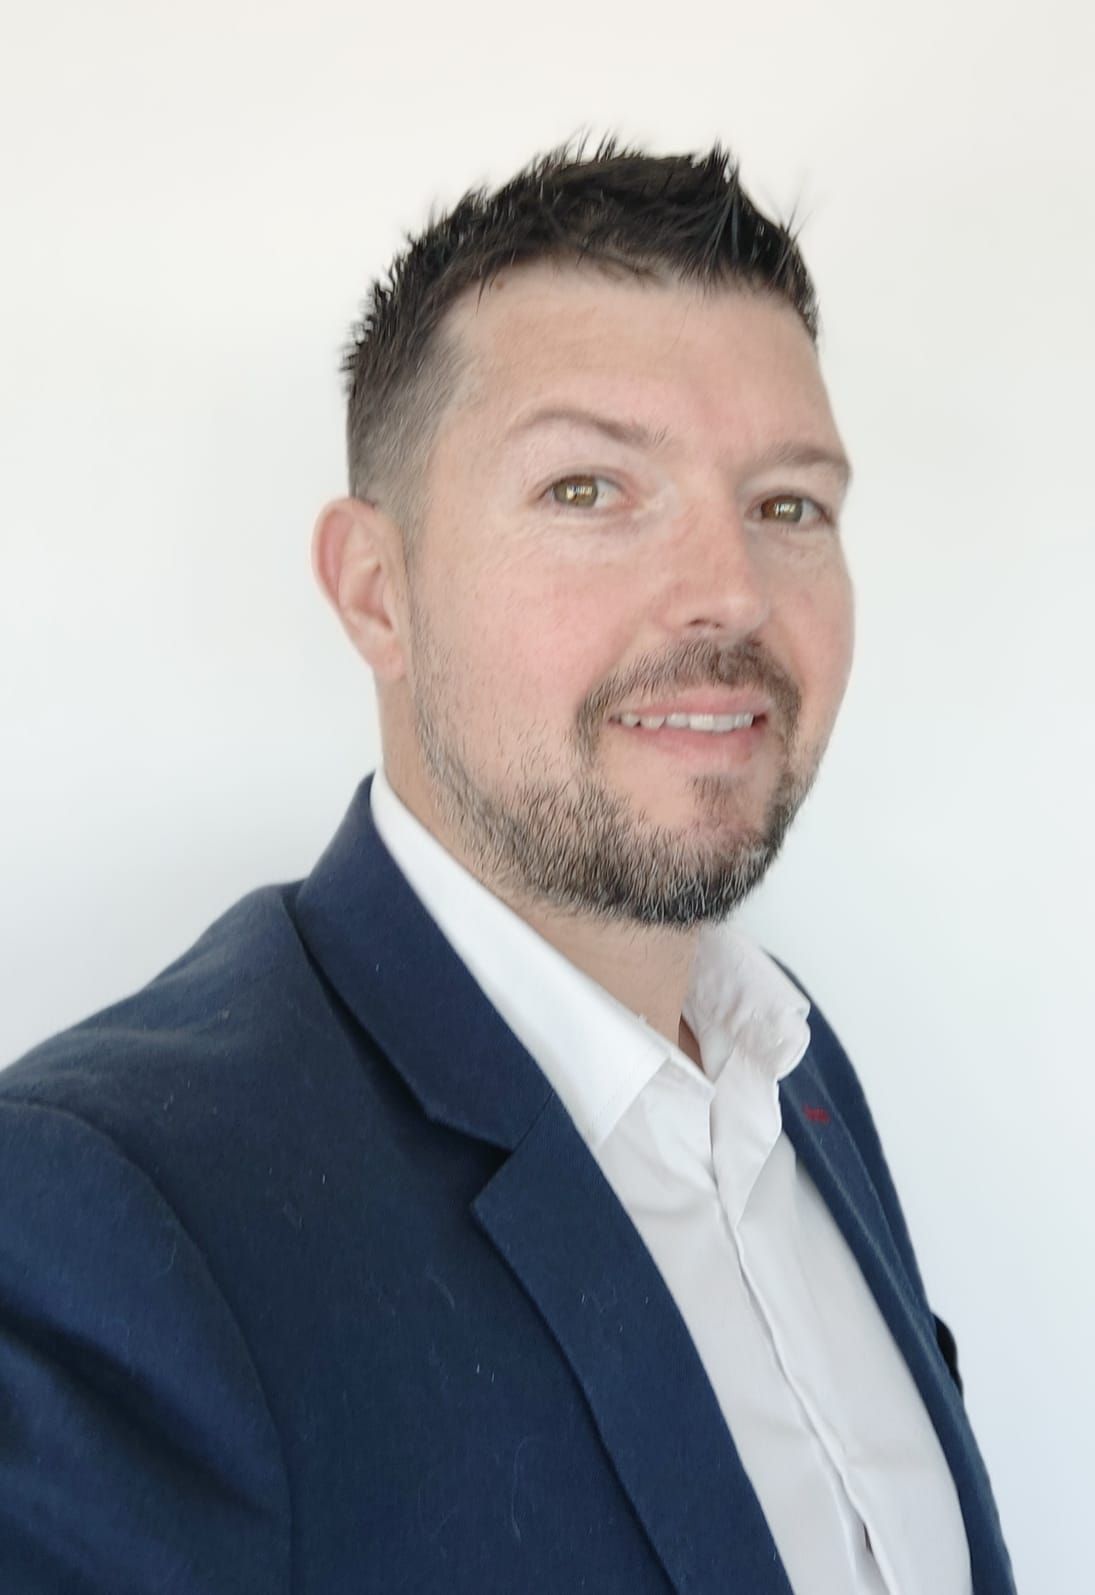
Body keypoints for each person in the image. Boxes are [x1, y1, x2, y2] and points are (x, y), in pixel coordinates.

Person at [0, 137, 1015, 1594]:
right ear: (377, 591)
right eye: (590, 489)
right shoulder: (106, 1216)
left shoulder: (793, 1068)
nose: (731, 591)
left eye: (788, 503)